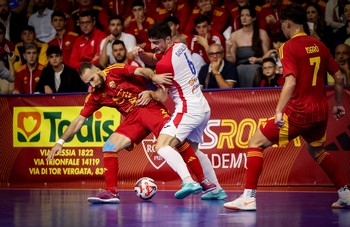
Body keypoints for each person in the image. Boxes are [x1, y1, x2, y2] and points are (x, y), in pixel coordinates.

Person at [223, 4, 350, 211]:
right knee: (317, 150)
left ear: (286, 23)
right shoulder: (319, 44)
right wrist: (337, 103)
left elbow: (290, 82)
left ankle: (248, 198)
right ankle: (345, 194)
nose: (281, 26)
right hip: (320, 112)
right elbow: (338, 76)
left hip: (299, 111)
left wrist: (278, 110)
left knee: (255, 142)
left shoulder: (288, 47)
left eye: (282, 23)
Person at [47, 62, 217, 203]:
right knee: (109, 147)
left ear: (98, 71)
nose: (92, 84)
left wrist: (154, 77)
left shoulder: (115, 70)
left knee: (176, 141)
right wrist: (60, 142)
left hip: (149, 107)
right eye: (88, 83)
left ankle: (203, 182)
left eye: (92, 79)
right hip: (132, 118)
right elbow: (78, 121)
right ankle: (112, 192)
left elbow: (141, 70)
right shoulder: (95, 95)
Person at [134, 21, 227, 200]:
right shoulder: (180, 46)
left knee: (162, 145)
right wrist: (142, 54)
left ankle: (188, 181)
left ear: (167, 39)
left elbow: (161, 97)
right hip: (202, 107)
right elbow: (154, 57)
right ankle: (216, 189)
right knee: (194, 151)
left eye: (157, 42)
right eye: (151, 42)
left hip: (188, 109)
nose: (153, 46)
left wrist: (149, 92)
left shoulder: (164, 67)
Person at [226, 5, 270, 87]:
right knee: (238, 70)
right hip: (239, 68)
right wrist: (228, 49)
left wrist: (258, 60)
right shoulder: (234, 35)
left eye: (247, 15)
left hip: (257, 66)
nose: (244, 18)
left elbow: (267, 57)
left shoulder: (262, 33)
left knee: (255, 70)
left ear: (253, 18)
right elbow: (231, 61)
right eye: (242, 15)